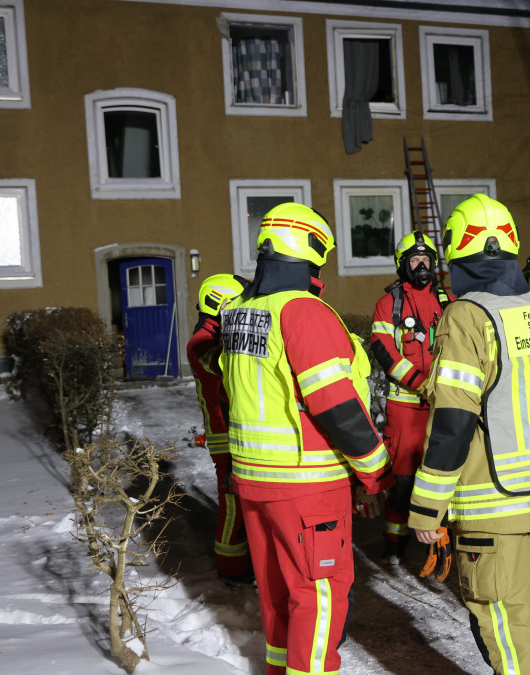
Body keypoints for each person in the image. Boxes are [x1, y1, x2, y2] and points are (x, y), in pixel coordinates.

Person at [408, 194, 530, 675]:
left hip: (491, 502)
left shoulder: (466, 315)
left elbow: (453, 419)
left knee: (503, 622)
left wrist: (427, 506)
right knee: (520, 614)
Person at [219, 202, 392, 675]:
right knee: (318, 596)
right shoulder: (303, 311)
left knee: (277, 594)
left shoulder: (240, 311)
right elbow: (335, 404)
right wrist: (376, 469)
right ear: (313, 250)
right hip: (306, 483)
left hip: (254, 480)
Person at [370, 231, 452, 564]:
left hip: (442, 404)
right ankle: (394, 543)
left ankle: (441, 541)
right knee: (402, 480)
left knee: (442, 475)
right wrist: (420, 382)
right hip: (405, 407)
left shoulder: (447, 300)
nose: (421, 266)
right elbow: (384, 351)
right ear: (403, 265)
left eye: (426, 260)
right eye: (415, 260)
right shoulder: (389, 303)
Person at [185, 273, 253, 584]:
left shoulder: (215, 334)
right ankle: (231, 569)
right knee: (232, 504)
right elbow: (228, 365)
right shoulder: (201, 342)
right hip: (224, 436)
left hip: (239, 432)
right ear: (221, 303)